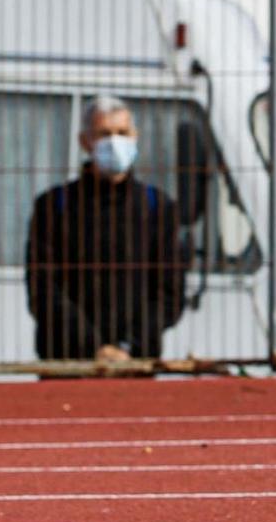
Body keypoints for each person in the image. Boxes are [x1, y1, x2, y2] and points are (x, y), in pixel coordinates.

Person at [25, 96, 187, 365]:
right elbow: (42, 288)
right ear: (85, 141)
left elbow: (170, 292)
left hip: (136, 361)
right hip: (66, 359)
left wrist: (128, 346)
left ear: (135, 137)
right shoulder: (54, 206)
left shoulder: (158, 207)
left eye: (122, 133)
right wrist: (94, 347)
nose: (114, 142)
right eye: (104, 134)